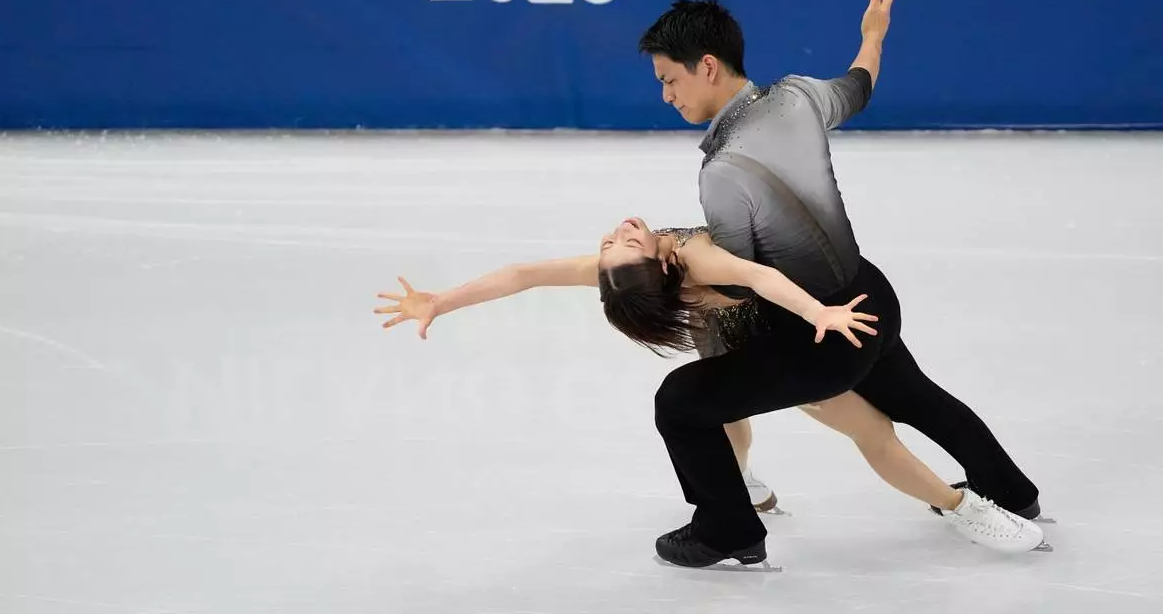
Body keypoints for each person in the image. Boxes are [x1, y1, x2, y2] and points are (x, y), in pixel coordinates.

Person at [619, 0, 1046, 568]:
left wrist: (671, 275)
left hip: (815, 338)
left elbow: (745, 282)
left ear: (708, 67)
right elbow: (858, 89)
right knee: (913, 395)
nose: (666, 94)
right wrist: (873, 35)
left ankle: (725, 529)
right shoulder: (797, 95)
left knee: (681, 401)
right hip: (870, 297)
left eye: (670, 79)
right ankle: (1014, 493)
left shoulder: (723, 173)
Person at [373, 220, 1049, 557]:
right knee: (837, 424)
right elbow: (525, 275)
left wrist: (820, 314)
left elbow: (763, 282)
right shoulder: (666, 265)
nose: (618, 234)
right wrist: (443, 302)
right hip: (788, 341)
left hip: (820, 320)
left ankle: (968, 506)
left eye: (614, 241)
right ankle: (965, 504)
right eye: (619, 245)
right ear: (649, 270)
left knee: (881, 422)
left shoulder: (677, 255)